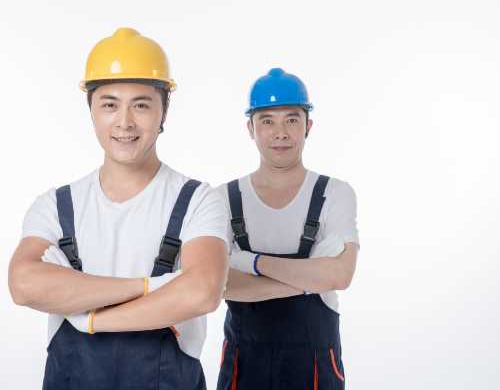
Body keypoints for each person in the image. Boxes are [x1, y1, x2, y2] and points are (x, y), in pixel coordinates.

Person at [8, 27, 228, 390]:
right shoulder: (56, 206)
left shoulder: (198, 200)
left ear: (163, 111)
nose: (125, 122)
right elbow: (23, 284)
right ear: (91, 111)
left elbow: (202, 291)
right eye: (109, 104)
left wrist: (89, 320)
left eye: (141, 105)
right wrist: (154, 286)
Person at [217, 68, 360, 390]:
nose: (280, 133)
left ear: (308, 125)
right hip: (243, 367)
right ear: (250, 128)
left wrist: (248, 262)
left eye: (291, 120)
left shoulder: (334, 193)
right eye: (267, 121)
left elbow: (340, 276)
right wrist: (311, 278)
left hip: (315, 368)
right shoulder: (221, 199)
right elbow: (217, 284)